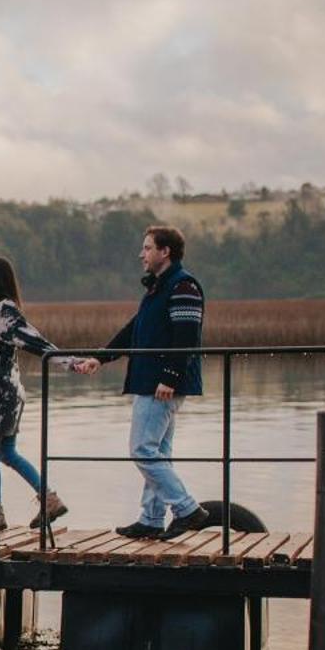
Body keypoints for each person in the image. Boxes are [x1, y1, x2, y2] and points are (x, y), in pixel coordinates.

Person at [79, 225, 208, 538]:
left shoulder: (183, 286)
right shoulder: (157, 289)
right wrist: (102, 356)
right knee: (157, 452)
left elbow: (187, 338)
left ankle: (187, 509)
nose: (142, 254)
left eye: (148, 248)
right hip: (152, 381)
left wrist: (171, 377)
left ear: (165, 252)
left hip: (162, 384)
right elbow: (133, 330)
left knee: (142, 450)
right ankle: (151, 520)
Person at [0, 255, 95, 532]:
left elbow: (36, 342)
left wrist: (72, 363)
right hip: (2, 392)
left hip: (2, 394)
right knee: (7, 453)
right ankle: (50, 500)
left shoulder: (5, 312)